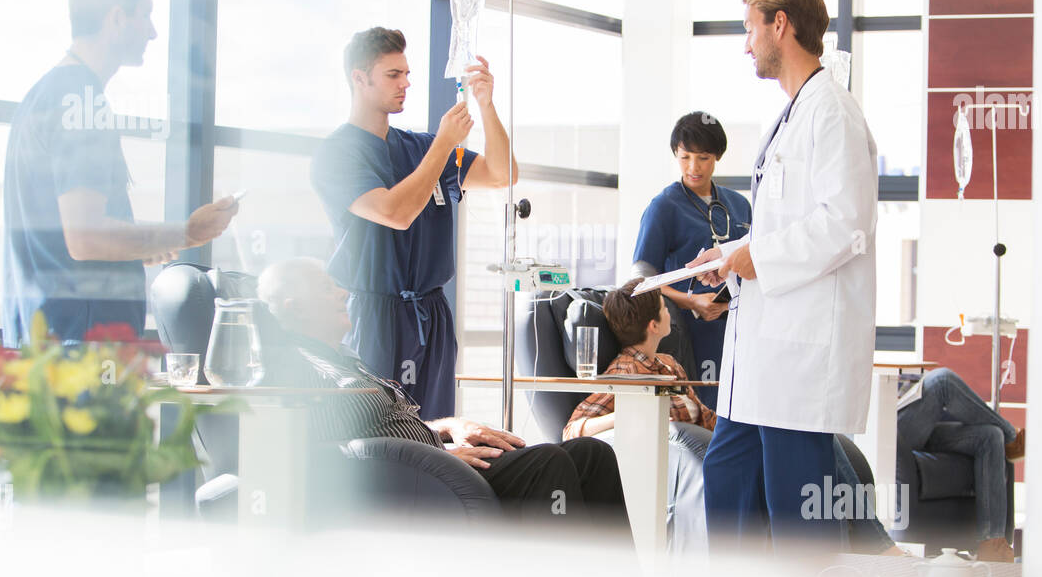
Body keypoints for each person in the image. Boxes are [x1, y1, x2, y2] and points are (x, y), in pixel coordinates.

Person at [692, 0, 878, 551]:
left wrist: (758, 256)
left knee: (799, 517)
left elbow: (845, 224)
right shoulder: (792, 115)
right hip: (761, 357)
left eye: (750, 29)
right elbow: (783, 224)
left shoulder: (833, 113)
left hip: (801, 359)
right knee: (726, 479)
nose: (746, 45)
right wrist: (731, 256)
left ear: (781, 24)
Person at [256, 258, 630, 537]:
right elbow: (338, 450)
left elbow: (385, 423)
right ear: (294, 307)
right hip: (415, 479)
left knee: (589, 453)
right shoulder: (303, 371)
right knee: (548, 461)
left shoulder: (345, 360)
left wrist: (450, 426)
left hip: (434, 462)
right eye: (326, 289)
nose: (342, 293)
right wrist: (438, 458)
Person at [565, 280, 905, 556]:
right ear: (654, 324)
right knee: (809, 441)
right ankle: (874, 545)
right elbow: (574, 428)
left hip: (714, 439)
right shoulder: (626, 371)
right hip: (686, 453)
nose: (672, 314)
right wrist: (626, 416)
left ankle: (859, 551)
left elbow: (708, 417)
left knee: (814, 434)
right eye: (666, 309)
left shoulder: (669, 364)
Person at [2, 0, 237, 345]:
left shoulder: (46, 94)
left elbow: (72, 236)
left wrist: (136, 245)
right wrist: (188, 233)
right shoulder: (81, 98)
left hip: (51, 342)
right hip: (82, 347)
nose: (154, 32)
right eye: (145, 15)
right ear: (115, 19)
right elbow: (86, 237)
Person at [310, 28, 517, 421]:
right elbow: (395, 213)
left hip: (432, 313)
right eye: (393, 75)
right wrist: (443, 145)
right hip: (374, 313)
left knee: (437, 433)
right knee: (381, 431)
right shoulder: (338, 153)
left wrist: (486, 106)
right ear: (359, 77)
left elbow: (501, 173)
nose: (406, 83)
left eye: (406, 73)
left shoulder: (419, 146)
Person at [632, 112, 752, 410]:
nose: (693, 167)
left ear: (718, 157)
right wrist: (691, 301)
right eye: (685, 157)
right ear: (676, 154)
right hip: (689, 334)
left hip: (738, 330)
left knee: (740, 410)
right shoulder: (664, 207)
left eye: (703, 158)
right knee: (705, 412)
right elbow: (641, 281)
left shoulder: (739, 205)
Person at [898, 368, 1025, 562]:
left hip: (914, 420)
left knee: (990, 436)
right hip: (889, 425)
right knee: (942, 381)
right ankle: (1013, 439)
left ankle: (992, 542)